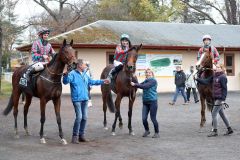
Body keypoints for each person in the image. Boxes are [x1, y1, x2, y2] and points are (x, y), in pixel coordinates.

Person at [63, 59, 109, 143]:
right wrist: (65, 75)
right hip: (77, 99)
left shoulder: (85, 74)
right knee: (79, 117)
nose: (86, 66)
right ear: (80, 66)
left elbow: (91, 81)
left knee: (84, 117)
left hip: (85, 99)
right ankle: (74, 137)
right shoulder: (72, 74)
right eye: (85, 65)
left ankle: (81, 136)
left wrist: (103, 81)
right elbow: (65, 82)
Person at [203, 64, 233, 137]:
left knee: (213, 113)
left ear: (222, 69)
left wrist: (223, 99)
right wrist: (197, 78)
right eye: (216, 67)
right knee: (222, 114)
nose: (216, 68)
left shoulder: (222, 77)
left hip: (220, 98)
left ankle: (215, 131)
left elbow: (224, 89)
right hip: (216, 97)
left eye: (218, 67)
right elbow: (206, 81)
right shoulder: (215, 76)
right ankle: (229, 129)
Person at [130, 68, 159, 138]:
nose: (148, 74)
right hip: (145, 102)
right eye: (147, 73)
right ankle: (147, 130)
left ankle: (157, 132)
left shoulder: (153, 81)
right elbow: (139, 84)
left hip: (153, 102)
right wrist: (133, 78)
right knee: (144, 118)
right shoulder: (146, 80)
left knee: (153, 118)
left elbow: (144, 86)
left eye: (149, 73)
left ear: (152, 74)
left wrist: (134, 84)